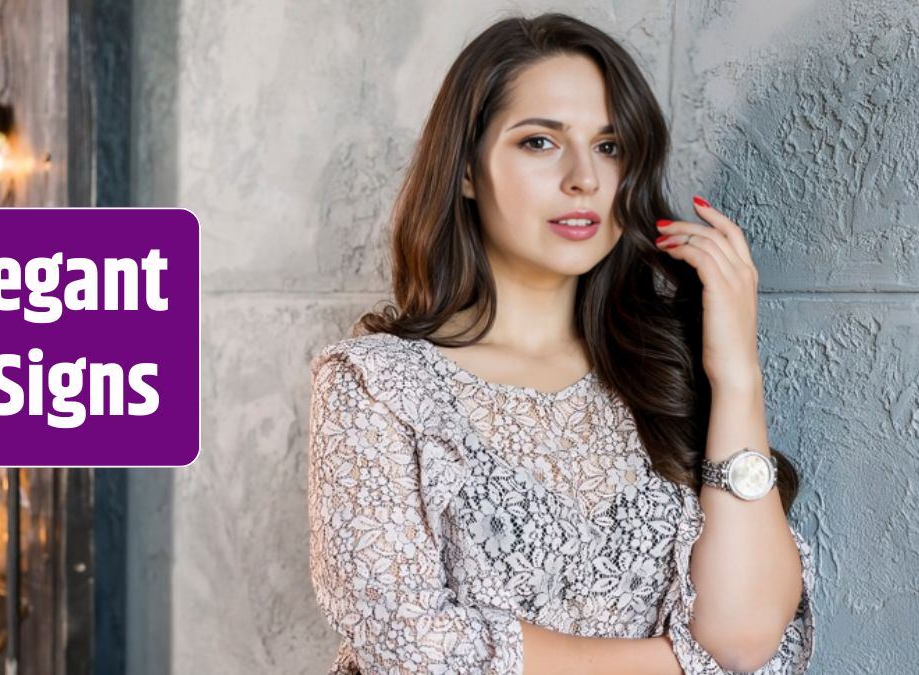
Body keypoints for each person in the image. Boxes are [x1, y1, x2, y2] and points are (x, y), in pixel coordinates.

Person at [307, 13, 815, 675]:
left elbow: (754, 642)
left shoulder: (671, 376)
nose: (584, 178)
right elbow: (415, 648)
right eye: (540, 142)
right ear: (465, 170)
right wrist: (690, 666)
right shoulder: (378, 385)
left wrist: (737, 373)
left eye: (610, 146)